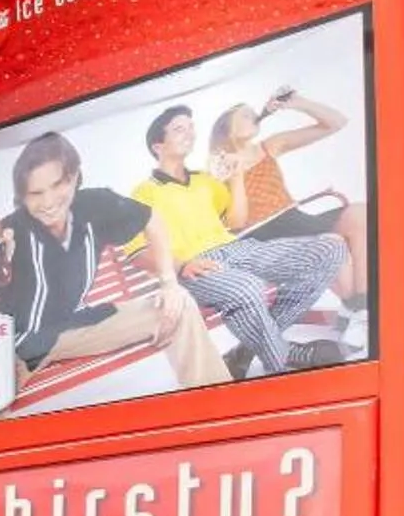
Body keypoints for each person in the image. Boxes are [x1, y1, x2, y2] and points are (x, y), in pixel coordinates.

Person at [0, 131, 228, 398]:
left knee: (179, 305)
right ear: (23, 196)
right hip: (17, 346)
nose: (48, 202)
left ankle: (216, 413)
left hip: (78, 326)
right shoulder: (10, 230)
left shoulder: (95, 204)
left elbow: (152, 219)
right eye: (36, 193)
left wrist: (169, 283)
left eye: (58, 185)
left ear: (74, 177)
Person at [132, 104, 350, 378]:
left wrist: (236, 179)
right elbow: (136, 250)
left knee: (331, 248)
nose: (189, 133)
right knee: (248, 287)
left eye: (190, 127)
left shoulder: (206, 180)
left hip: (239, 249)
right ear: (158, 146)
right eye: (178, 129)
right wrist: (181, 265)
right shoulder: (143, 193)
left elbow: (236, 222)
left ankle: (246, 351)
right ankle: (284, 358)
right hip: (197, 267)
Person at [210, 90, 369, 309]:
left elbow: (337, 122)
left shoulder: (268, 147)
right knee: (332, 241)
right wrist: (235, 176)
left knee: (360, 214)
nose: (254, 114)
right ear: (228, 131)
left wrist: (298, 103)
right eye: (245, 115)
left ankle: (360, 305)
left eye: (252, 112)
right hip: (265, 237)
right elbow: (236, 223)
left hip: (295, 220)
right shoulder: (218, 167)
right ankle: (359, 308)